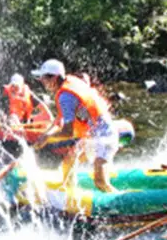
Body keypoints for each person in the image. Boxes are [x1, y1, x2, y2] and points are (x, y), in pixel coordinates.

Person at [31, 59, 118, 192]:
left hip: (105, 135)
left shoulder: (65, 96)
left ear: (54, 77)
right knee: (68, 162)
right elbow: (59, 121)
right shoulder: (67, 84)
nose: (42, 81)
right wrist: (46, 134)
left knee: (100, 182)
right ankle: (67, 192)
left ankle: (117, 205)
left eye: (44, 78)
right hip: (93, 135)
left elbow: (68, 132)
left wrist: (48, 139)